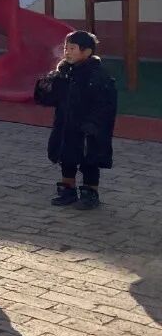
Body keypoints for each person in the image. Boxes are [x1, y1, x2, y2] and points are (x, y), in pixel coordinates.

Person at [34, 30, 117, 210]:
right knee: (66, 157)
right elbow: (52, 99)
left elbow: (106, 104)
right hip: (66, 124)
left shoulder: (98, 75)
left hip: (88, 127)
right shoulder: (64, 73)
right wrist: (45, 87)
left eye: (72, 48)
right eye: (66, 48)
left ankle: (90, 191)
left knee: (89, 160)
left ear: (87, 51)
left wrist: (94, 124)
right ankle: (67, 188)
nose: (67, 52)